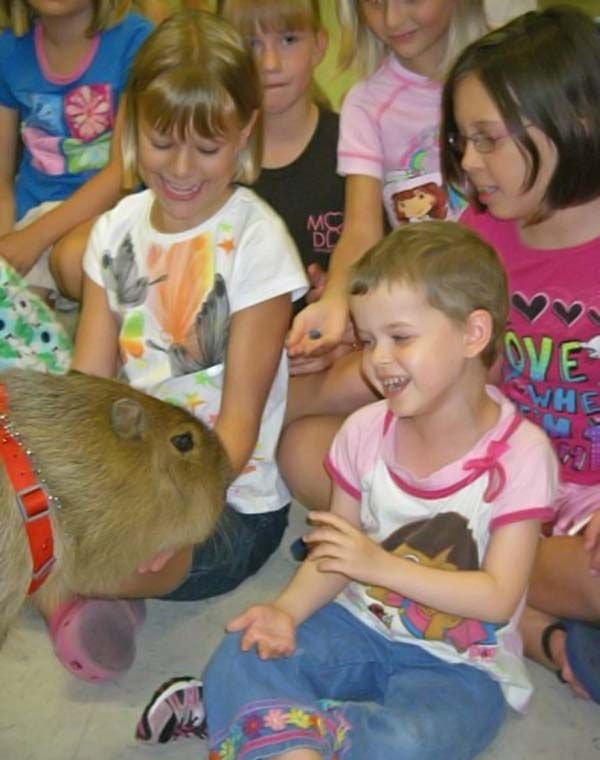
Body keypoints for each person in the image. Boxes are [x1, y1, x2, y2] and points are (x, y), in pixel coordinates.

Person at [134, 221, 558, 756]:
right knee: (244, 648)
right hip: (356, 622)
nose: (379, 360)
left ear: (474, 334)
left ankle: (279, 728)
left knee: (414, 740)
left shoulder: (522, 455)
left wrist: (377, 565)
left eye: (400, 337)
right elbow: (334, 556)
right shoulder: (363, 430)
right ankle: (282, 726)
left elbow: (497, 599)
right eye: (369, 340)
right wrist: (285, 612)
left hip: (459, 663)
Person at [38, 9, 308, 684]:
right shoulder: (115, 230)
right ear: (131, 126)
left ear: (245, 133)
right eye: (161, 141)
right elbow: (89, 388)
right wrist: (66, 487)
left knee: (71, 551)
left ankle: (82, 590)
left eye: (208, 149)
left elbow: (239, 426)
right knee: (28, 514)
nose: (182, 169)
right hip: (127, 478)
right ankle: (87, 587)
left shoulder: (259, 242)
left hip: (223, 502)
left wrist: (164, 525)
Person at [440, 6, 600, 703]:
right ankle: (538, 626)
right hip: (499, 486)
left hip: (586, 512)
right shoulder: (474, 235)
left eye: (487, 140)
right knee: (314, 453)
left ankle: (498, 609)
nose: (468, 163)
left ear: (579, 122)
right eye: (462, 139)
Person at [277, 0, 490, 511]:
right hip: (418, 314)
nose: (393, 20)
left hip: (495, 322)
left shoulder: (504, 72)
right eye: (374, 3)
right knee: (303, 452)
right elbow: (361, 229)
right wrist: (334, 303)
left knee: (359, 375)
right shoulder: (368, 103)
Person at [0, 0, 153, 302]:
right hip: (32, 214)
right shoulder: (9, 50)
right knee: (15, 319)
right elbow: (2, 182)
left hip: (113, 211)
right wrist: (7, 245)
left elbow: (123, 171)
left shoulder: (135, 40)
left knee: (72, 260)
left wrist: (32, 239)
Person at [219, 0, 344, 316]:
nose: (270, 63)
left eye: (288, 40)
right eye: (251, 44)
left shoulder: (354, 146)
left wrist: (345, 291)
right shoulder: (211, 157)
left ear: (318, 46)